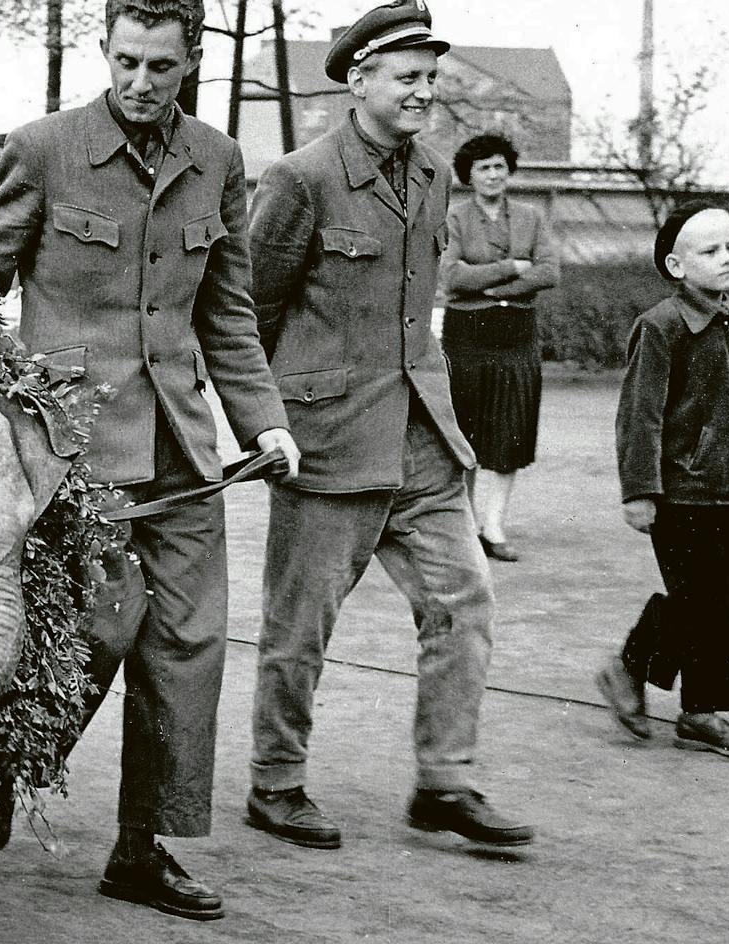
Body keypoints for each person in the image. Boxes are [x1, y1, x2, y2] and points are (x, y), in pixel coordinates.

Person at [0, 0, 297, 921]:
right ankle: (4, 760)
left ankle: (144, 847)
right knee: (93, 630)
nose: (141, 82)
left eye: (162, 67)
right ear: (105, 50)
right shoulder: (45, 148)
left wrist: (262, 422)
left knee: (187, 643)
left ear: (191, 63)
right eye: (127, 61)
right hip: (68, 448)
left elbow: (226, 313)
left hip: (182, 451)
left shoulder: (216, 160)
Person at [245, 0, 533, 851]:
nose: (424, 93)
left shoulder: (437, 175)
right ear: (359, 80)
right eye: (408, 78)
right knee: (301, 628)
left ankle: (444, 781)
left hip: (422, 439)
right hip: (329, 442)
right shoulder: (302, 179)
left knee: (465, 602)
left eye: (431, 79)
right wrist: (264, 422)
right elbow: (249, 312)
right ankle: (276, 780)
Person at [595, 203, 729, 758]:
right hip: (680, 491)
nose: (726, 259)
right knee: (697, 600)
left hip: (728, 490)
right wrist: (639, 491)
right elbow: (639, 415)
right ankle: (629, 666)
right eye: (710, 251)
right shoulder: (662, 327)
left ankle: (701, 712)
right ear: (675, 265)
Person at [441, 133, 560, 561]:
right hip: (467, 336)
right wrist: (510, 268)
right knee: (466, 433)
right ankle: (464, 528)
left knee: (509, 431)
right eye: (483, 168)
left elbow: (549, 272)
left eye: (499, 166)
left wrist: (489, 287)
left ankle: (493, 527)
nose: (493, 175)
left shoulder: (531, 216)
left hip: (516, 335)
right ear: (469, 176)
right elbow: (451, 276)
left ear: (509, 170)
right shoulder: (454, 218)